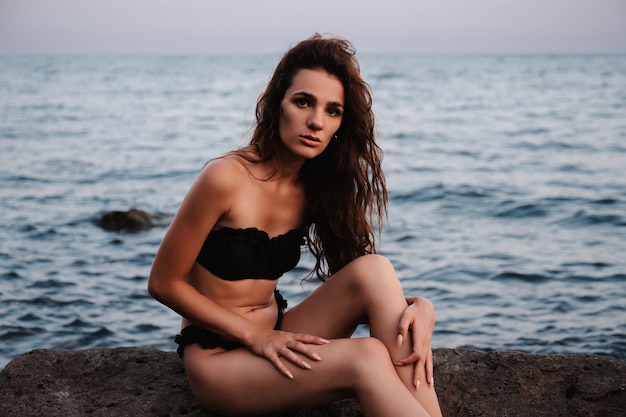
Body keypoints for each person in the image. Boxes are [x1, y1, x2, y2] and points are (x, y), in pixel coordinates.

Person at [148, 34, 443, 417]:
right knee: (365, 356)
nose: (316, 122)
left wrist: (422, 307)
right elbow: (163, 282)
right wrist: (257, 336)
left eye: (332, 110)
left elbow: (360, 284)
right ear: (277, 105)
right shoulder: (224, 178)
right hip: (219, 359)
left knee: (376, 269)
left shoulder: (314, 186)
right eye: (303, 102)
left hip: (280, 334)